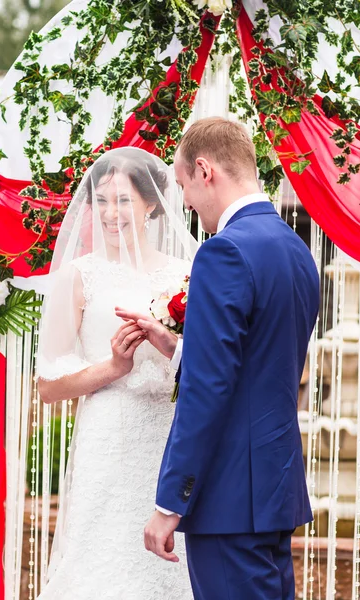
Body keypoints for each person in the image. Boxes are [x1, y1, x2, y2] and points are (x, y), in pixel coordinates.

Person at [117, 117, 320, 600]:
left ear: (204, 170)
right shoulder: (296, 250)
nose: (185, 203)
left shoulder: (223, 252)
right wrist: (181, 348)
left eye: (184, 185)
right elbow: (261, 362)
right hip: (274, 489)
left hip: (229, 497)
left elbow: (208, 391)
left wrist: (171, 501)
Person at [35, 147, 198, 599]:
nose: (110, 213)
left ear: (150, 204)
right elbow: (47, 388)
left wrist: (170, 349)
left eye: (123, 200)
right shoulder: (77, 277)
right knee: (98, 560)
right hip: (106, 440)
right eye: (101, 200)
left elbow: (204, 367)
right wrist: (114, 366)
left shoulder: (186, 274)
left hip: (168, 439)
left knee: (169, 566)